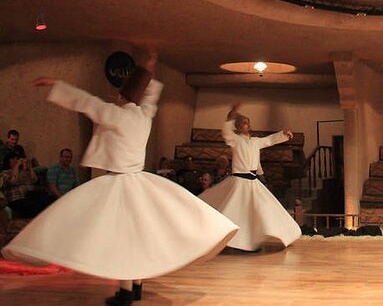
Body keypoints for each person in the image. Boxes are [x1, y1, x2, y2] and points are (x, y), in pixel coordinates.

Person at [2, 51, 238, 306]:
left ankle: (126, 292)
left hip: (119, 183)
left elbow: (85, 102)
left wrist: (56, 85)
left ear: (121, 95)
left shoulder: (115, 113)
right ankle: (134, 286)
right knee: (135, 236)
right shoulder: (145, 115)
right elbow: (150, 97)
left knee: (123, 239)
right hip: (139, 182)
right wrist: (149, 68)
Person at [199, 103, 302, 251]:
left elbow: (269, 140)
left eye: (248, 122)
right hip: (240, 181)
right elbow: (226, 133)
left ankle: (253, 240)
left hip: (253, 182)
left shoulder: (255, 141)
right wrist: (230, 117)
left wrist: (283, 135)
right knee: (234, 211)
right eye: (244, 123)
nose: (247, 125)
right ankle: (229, 239)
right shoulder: (236, 139)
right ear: (239, 127)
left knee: (259, 211)